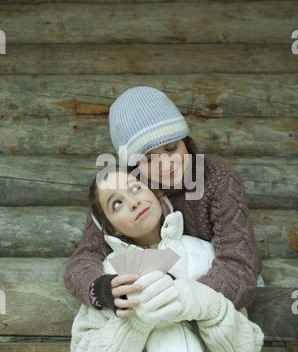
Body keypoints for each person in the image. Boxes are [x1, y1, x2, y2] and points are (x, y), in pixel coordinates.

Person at [64, 86, 262, 316]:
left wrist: (178, 299)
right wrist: (104, 289)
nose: (166, 165)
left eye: (171, 148)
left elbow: (240, 266)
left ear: (185, 141)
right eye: (148, 159)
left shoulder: (220, 180)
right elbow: (84, 258)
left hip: (211, 302)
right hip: (148, 306)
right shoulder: (125, 188)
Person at [71, 168, 264, 352]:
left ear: (157, 195)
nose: (133, 202)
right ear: (112, 228)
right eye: (117, 204)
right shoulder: (108, 277)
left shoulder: (209, 258)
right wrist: (138, 321)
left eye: (136, 188)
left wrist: (205, 304)